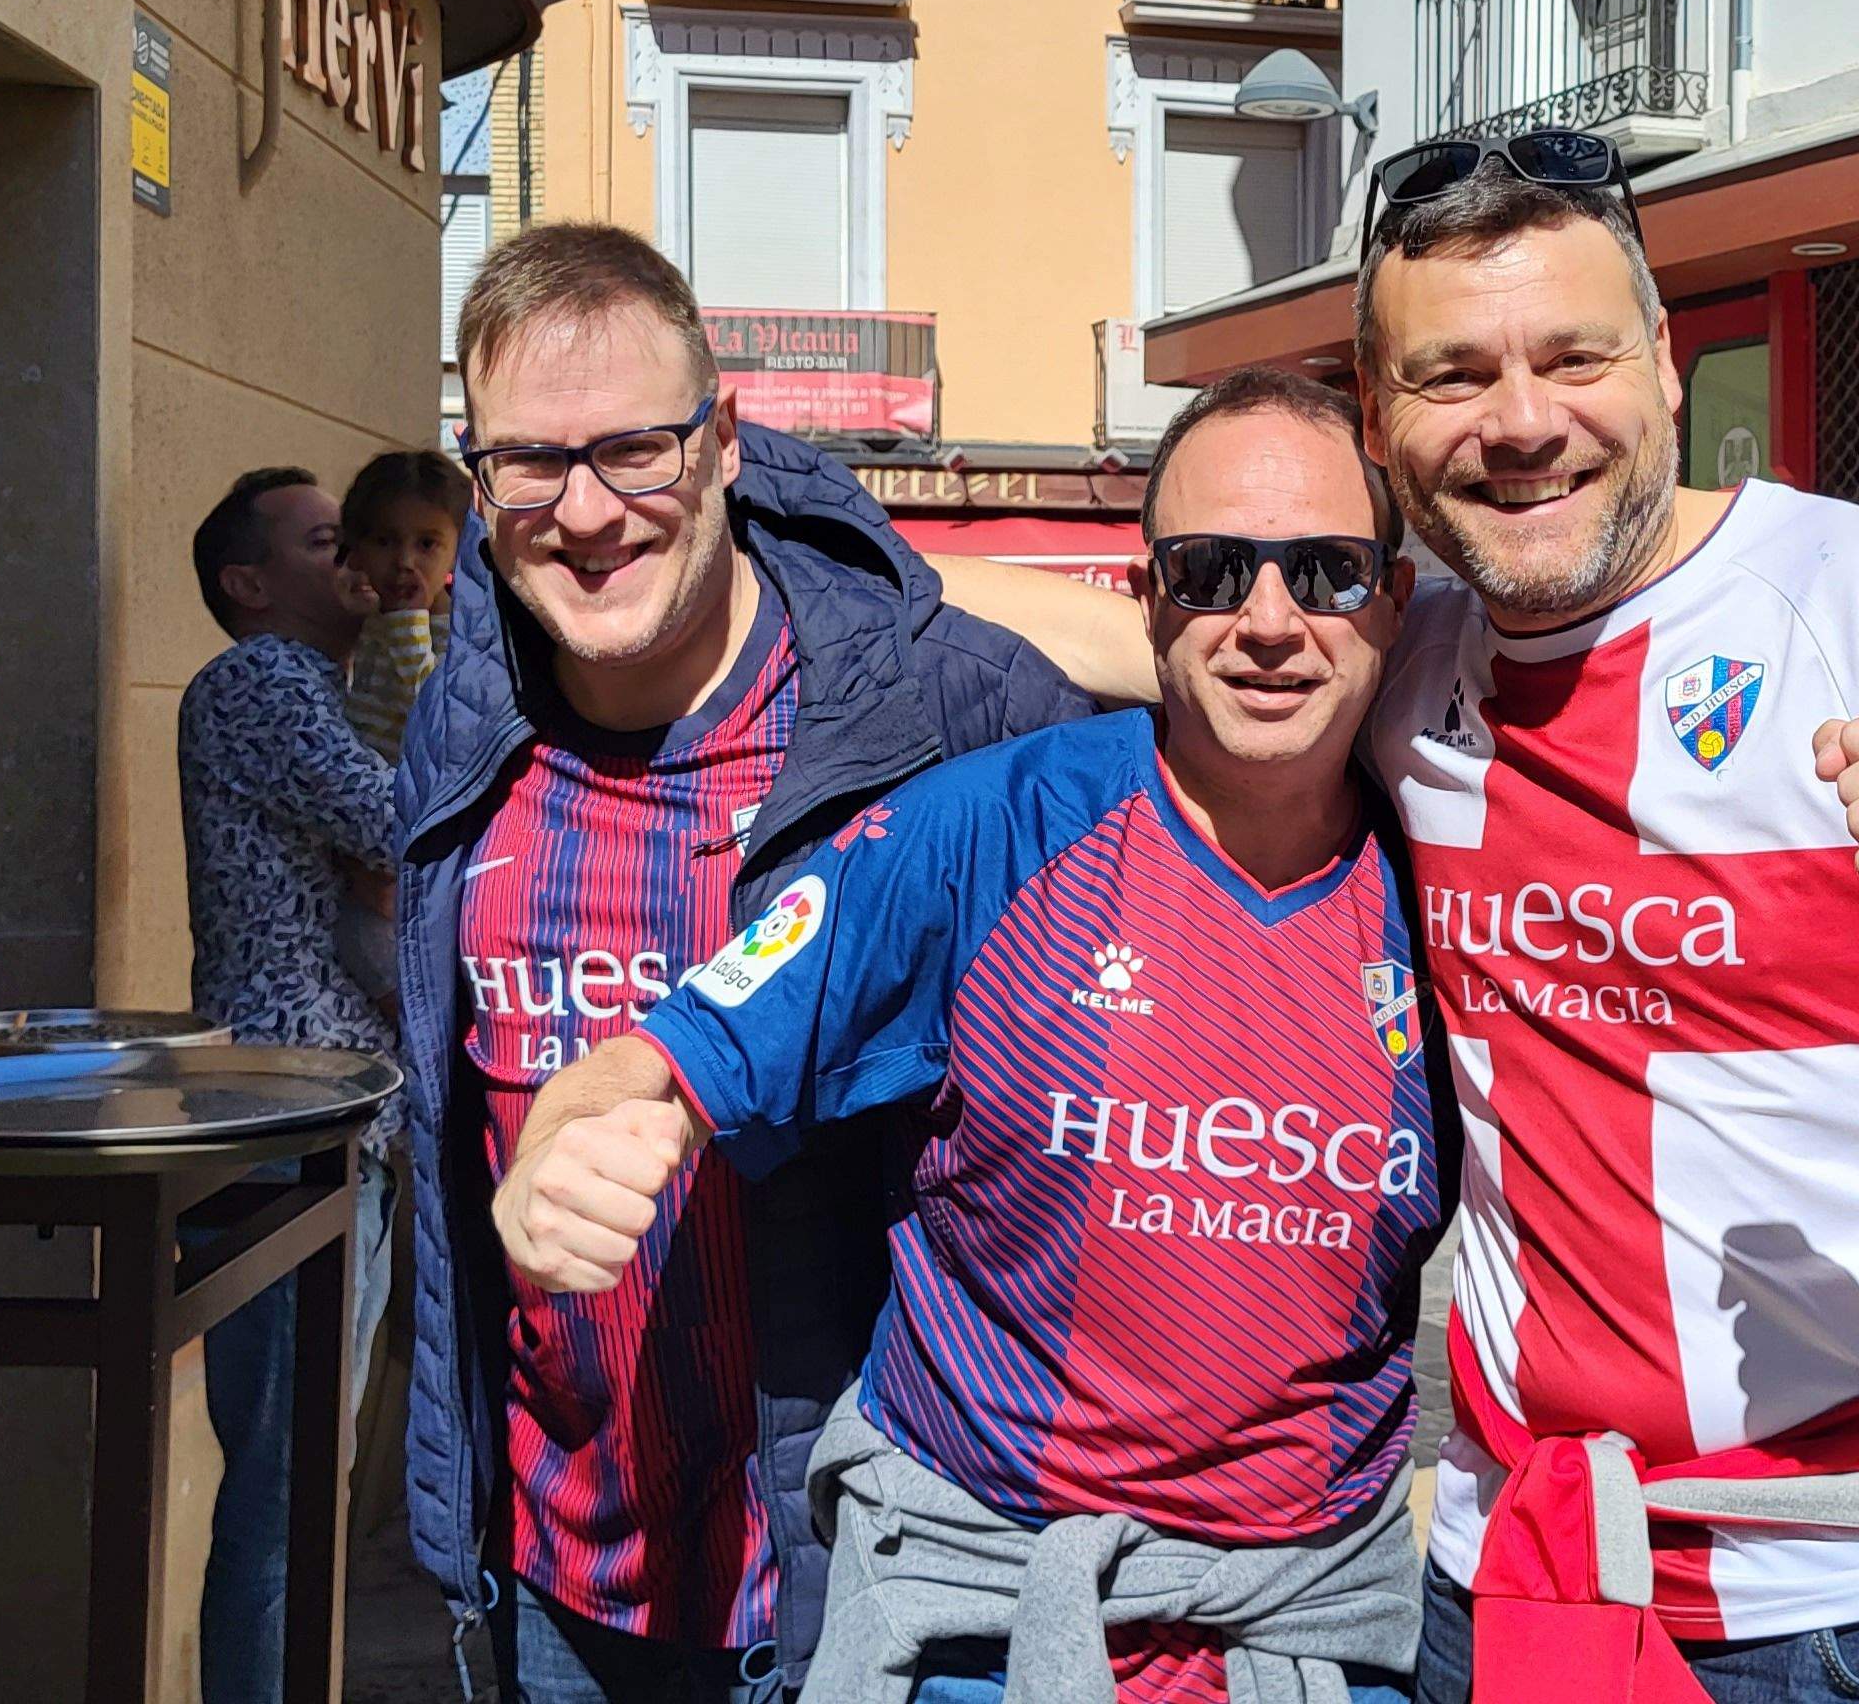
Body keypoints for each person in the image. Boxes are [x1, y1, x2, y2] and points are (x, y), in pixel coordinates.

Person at [942, 128, 1859, 1704]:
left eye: (1574, 357)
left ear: (1668, 368)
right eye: (1452, 374)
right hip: (1519, 1577)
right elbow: (1130, 628)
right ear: (1379, 413)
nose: (1522, 423)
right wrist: (751, 530)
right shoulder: (1402, 665)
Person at [491, 369, 1444, 1703]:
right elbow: (656, 1060)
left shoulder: (1450, 887)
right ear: (1151, 597)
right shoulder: (982, 834)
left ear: (1395, 605)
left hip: (1314, 1643)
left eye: (1329, 572)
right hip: (981, 1636)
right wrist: (553, 1164)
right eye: (1215, 569)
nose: (1270, 622)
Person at [390, 222, 1087, 1702]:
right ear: (478, 475)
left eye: (635, 450)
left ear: (721, 442)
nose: (585, 514)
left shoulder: (945, 717)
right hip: (550, 1582)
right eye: (530, 463)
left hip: (859, 1578)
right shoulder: (459, 743)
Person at [177, 465, 403, 1704]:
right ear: (249, 584)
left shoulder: (334, 685)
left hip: (319, 1121)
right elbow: (401, 825)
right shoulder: (260, 680)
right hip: (287, 1120)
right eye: (328, 541)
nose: (360, 560)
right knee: (282, 1487)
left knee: (302, 1483)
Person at [343, 448, 472, 766]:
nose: (404, 562)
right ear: (357, 551)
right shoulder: (375, 617)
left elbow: (434, 715)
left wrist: (408, 624)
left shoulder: (464, 632)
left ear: (460, 551)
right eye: (385, 542)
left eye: (427, 544)